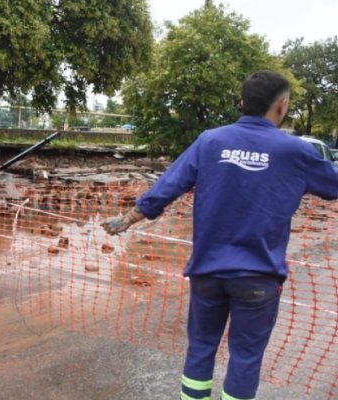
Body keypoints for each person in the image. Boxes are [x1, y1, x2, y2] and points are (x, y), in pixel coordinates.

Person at [101, 70, 338, 400]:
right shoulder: (294, 151)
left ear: (242, 103)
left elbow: (167, 187)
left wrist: (128, 218)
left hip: (208, 273)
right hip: (258, 278)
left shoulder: (210, 141)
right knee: (245, 357)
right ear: (282, 106)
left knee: (200, 348)